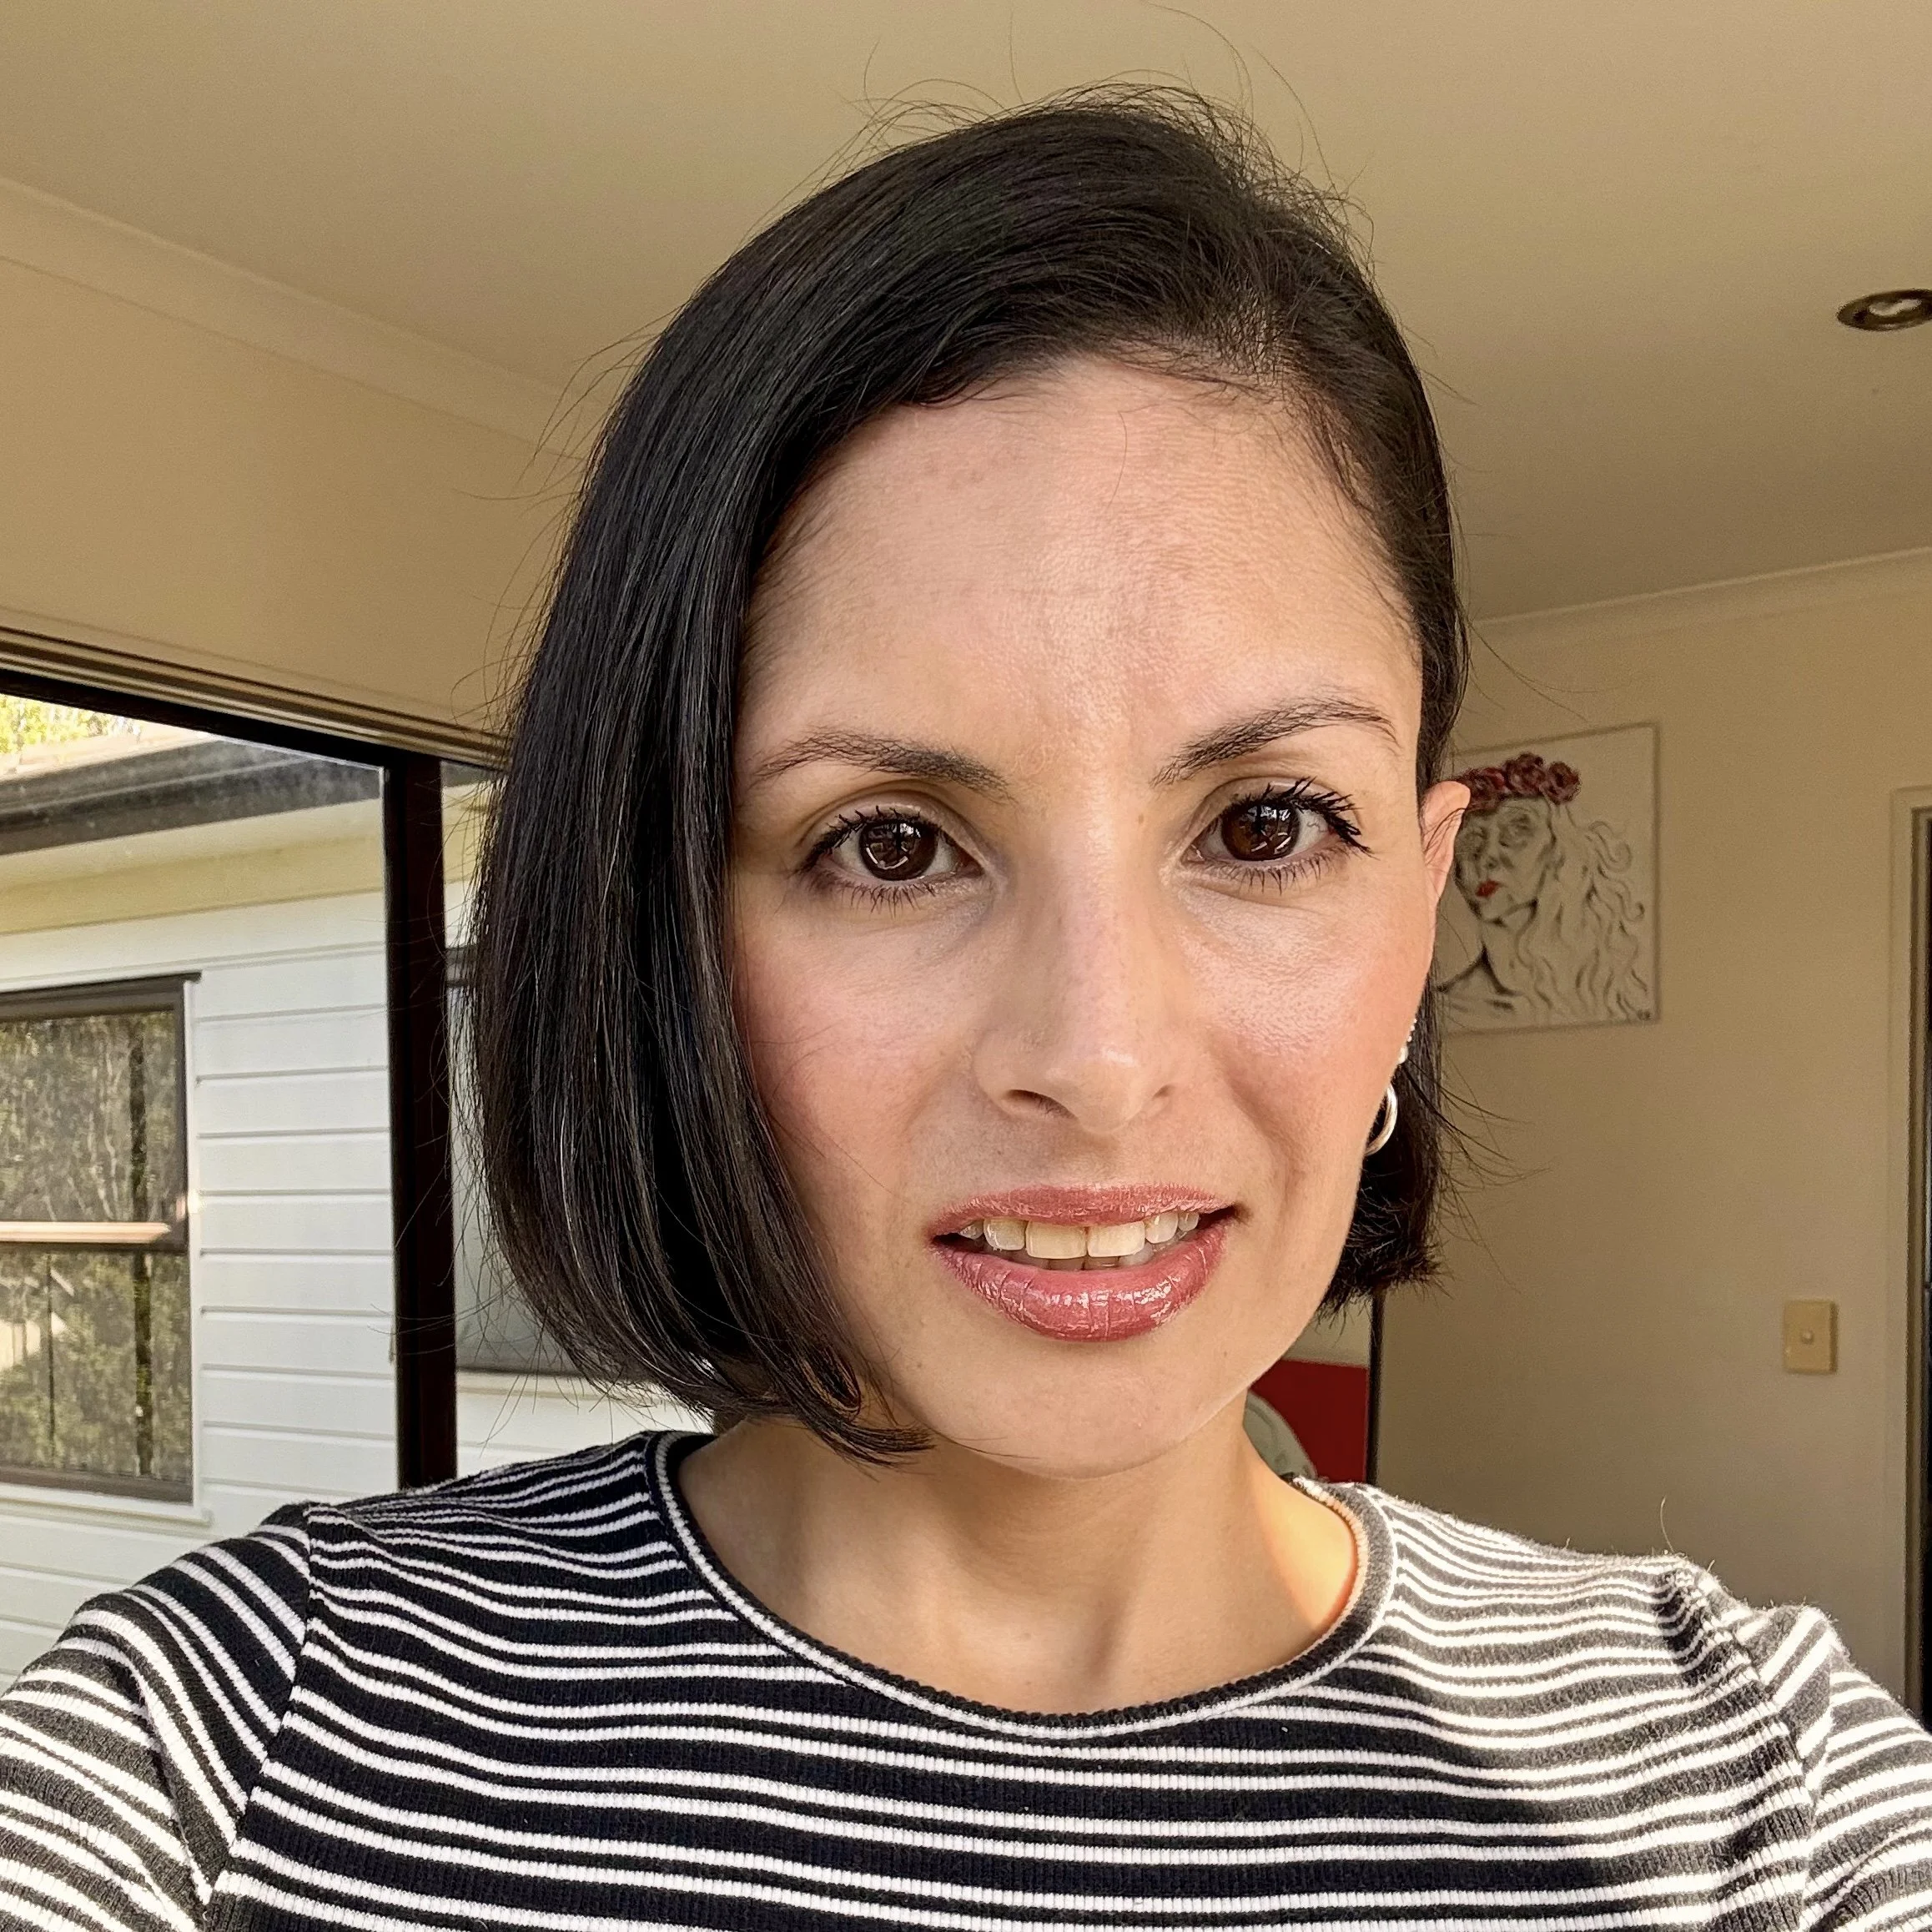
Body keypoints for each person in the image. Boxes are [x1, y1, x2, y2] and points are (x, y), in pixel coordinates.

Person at [2, 93, 1929, 1932]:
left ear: (1421, 907)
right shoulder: (228, 1741)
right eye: (892, 844)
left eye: (1264, 825)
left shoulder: (1754, 1792)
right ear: (667, 932)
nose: (1097, 1059)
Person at [1437, 751, 1653, 1027]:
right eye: (1472, 840)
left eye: (1517, 831)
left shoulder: (1611, 990)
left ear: (1558, 852)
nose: (1487, 856)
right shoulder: (1451, 1005)